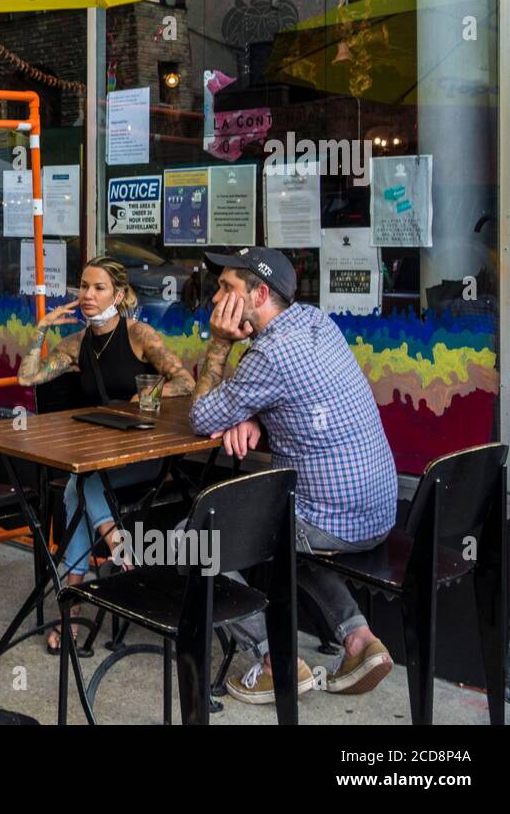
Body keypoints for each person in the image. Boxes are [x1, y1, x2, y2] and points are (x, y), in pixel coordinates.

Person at [188, 246, 398, 704]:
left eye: (227, 289)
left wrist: (219, 344)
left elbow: (202, 417)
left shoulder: (268, 355)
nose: (216, 299)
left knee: (196, 536)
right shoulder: (316, 321)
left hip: (333, 521)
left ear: (261, 293)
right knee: (285, 535)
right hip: (379, 511)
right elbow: (300, 394)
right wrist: (256, 414)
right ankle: (360, 641)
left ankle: (272, 657)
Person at [17, 256, 195, 652]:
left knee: (78, 487)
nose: (87, 296)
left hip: (143, 458)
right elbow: (28, 377)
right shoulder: (76, 344)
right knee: (81, 482)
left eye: (98, 288)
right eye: (84, 286)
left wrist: (144, 396)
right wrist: (42, 329)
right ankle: (113, 550)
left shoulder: (139, 335)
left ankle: (75, 600)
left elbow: (184, 381)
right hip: (97, 456)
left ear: (120, 294)